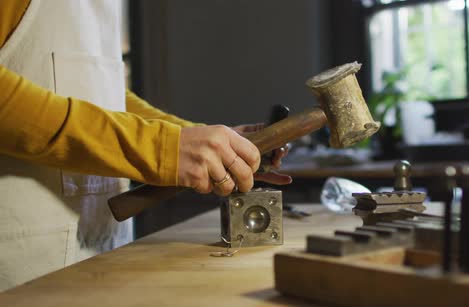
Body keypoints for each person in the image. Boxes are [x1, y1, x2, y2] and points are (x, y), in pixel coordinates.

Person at [0, 0, 291, 291]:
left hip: (98, 253)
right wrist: (161, 149)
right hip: (18, 274)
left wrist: (202, 141)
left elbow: (94, 90)